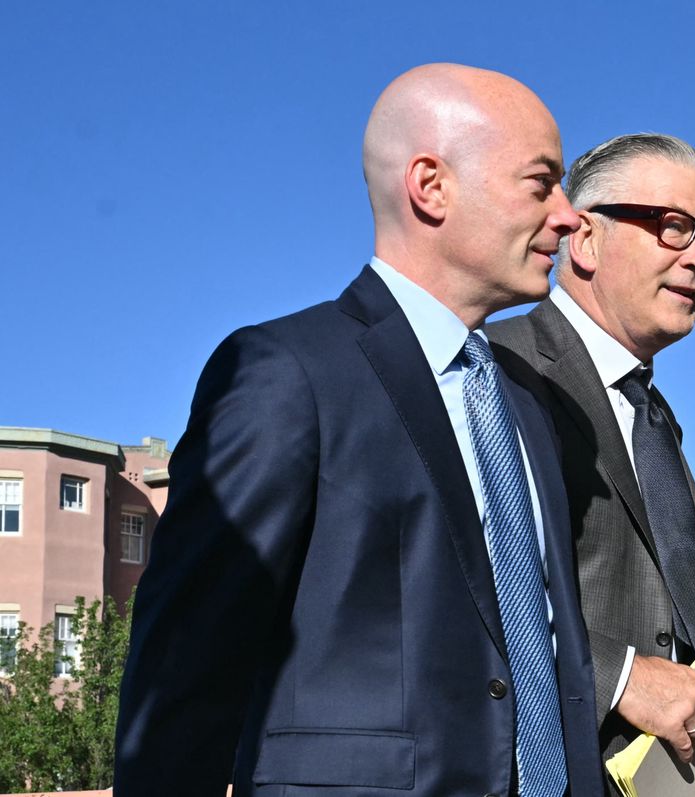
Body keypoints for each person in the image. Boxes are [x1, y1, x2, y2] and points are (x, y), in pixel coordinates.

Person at [113, 64, 605, 797]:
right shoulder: (287, 371)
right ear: (431, 186)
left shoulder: (527, 407)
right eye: (542, 184)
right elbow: (186, 668)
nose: (568, 216)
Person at [488, 133, 695, 771]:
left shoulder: (653, 414)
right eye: (675, 228)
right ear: (586, 239)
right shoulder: (496, 368)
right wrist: (618, 677)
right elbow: (452, 582)